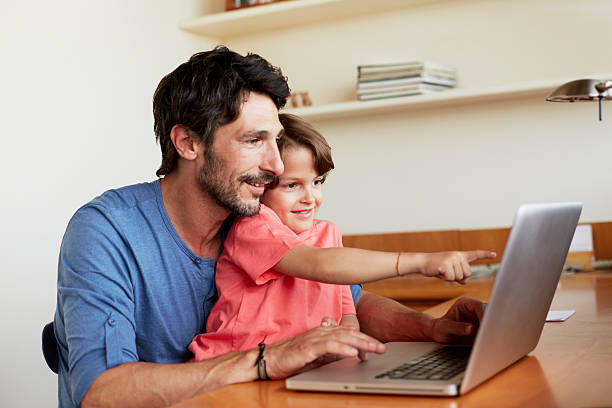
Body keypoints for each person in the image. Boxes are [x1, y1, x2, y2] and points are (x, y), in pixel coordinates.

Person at [54, 46, 491, 408]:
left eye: (274, 139)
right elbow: (100, 393)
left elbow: (346, 299)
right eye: (253, 141)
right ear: (187, 142)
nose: (276, 165)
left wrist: (430, 328)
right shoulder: (106, 231)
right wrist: (264, 360)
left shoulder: (251, 210)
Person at [188, 113, 495, 363]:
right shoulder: (254, 226)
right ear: (261, 185)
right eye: (292, 186)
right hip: (236, 365)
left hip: (300, 367)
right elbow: (318, 263)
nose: (310, 197)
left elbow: (345, 304)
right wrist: (421, 261)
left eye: (317, 182)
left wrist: (348, 332)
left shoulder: (327, 232)